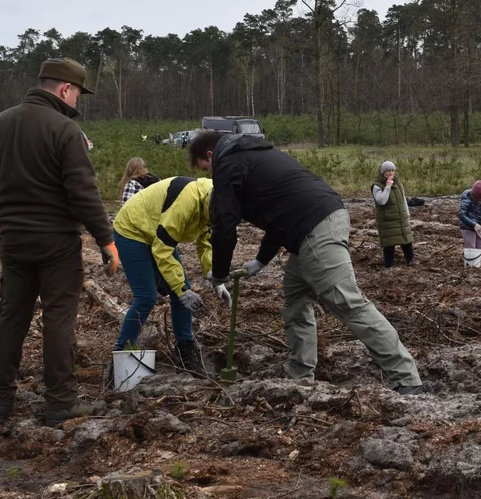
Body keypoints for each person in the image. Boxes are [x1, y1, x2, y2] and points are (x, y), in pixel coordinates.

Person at [189, 131, 423, 395]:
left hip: (315, 229)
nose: (210, 175)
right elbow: (279, 216)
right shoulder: (258, 156)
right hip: (315, 224)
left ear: (210, 155)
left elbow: (224, 225)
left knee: (348, 303)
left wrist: (219, 273)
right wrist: (260, 260)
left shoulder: (229, 163)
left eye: (206, 168)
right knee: (296, 300)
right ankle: (300, 375)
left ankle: (407, 378)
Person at [0, 58, 119, 427]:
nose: (77, 103)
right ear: (66, 90)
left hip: (15, 242)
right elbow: (83, 192)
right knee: (58, 320)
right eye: (78, 95)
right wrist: (106, 239)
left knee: (11, 318)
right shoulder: (65, 130)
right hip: (57, 244)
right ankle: (60, 404)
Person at [112, 176, 231, 375]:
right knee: (146, 297)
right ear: (208, 205)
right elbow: (162, 249)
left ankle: (185, 349)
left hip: (157, 234)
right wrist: (183, 290)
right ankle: (122, 353)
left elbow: (206, 242)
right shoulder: (187, 203)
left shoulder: (221, 203)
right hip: (132, 229)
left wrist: (215, 278)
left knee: (181, 291)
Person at [371, 161, 415, 268]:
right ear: (383, 173)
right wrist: (387, 187)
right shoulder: (376, 186)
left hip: (401, 218)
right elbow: (381, 201)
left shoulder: (398, 184)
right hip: (387, 220)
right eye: (388, 171)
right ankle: (389, 266)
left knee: (406, 241)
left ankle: (411, 261)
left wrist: (407, 214)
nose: (391, 173)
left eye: (392, 170)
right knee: (389, 244)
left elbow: (403, 199)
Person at [459, 180, 481, 266]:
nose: (480, 200)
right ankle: (470, 265)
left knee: (480, 244)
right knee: (471, 247)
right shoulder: (466, 201)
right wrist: (474, 225)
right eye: (479, 198)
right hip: (467, 227)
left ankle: (477, 263)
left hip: (477, 227)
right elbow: (462, 215)